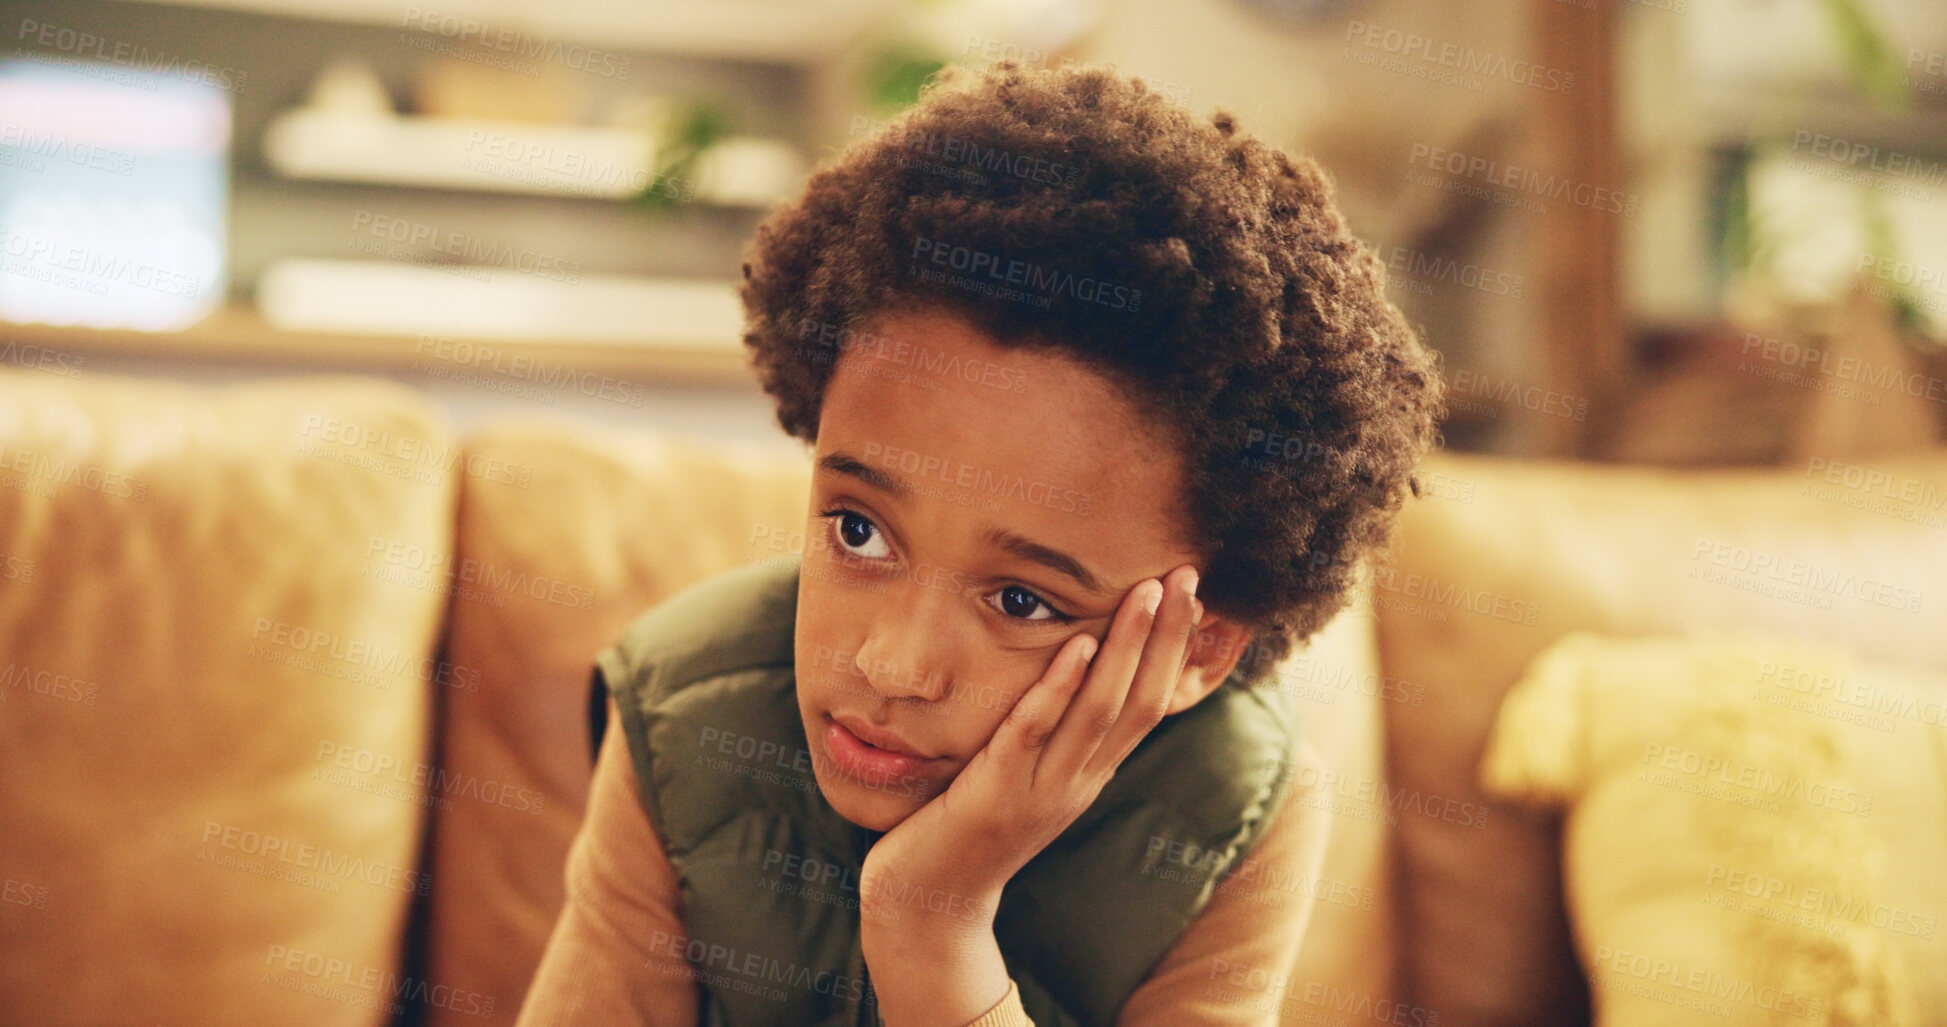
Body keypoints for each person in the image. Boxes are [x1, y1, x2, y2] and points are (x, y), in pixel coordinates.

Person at [517, 58, 1443, 1027]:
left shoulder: (1231, 807)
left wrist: (934, 925)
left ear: (1201, 645)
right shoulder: (683, 700)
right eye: (859, 530)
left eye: (1022, 600)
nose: (890, 662)